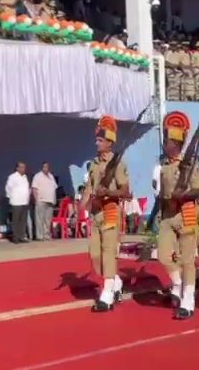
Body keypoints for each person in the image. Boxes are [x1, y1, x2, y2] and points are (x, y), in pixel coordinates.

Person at [156, 111, 199, 320]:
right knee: (164, 256)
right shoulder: (164, 166)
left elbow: (197, 189)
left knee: (187, 260)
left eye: (167, 141)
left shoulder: (189, 164)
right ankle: (177, 283)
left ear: (175, 143)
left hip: (186, 213)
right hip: (167, 215)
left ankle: (188, 300)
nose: (164, 144)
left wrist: (182, 195)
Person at [81, 116, 130, 312]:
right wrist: (83, 208)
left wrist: (108, 193)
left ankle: (107, 293)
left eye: (100, 140)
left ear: (110, 142)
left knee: (109, 253)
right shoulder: (93, 165)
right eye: (96, 140)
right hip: (96, 213)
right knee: (95, 255)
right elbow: (89, 188)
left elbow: (126, 191)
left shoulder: (118, 164)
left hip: (110, 211)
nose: (97, 143)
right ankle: (116, 280)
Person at [32, 162, 58, 241]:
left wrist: (54, 199)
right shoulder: (37, 176)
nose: (45, 168)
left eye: (47, 167)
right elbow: (34, 189)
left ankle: (46, 235)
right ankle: (40, 236)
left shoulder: (51, 176)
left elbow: (54, 188)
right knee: (40, 220)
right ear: (42, 167)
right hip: (41, 200)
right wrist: (37, 200)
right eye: (44, 167)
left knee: (48, 220)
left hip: (50, 201)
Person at [6, 162, 30, 243]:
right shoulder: (12, 177)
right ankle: (15, 238)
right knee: (16, 221)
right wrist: (12, 198)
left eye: (24, 167)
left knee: (23, 221)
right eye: (22, 167)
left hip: (24, 201)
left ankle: (22, 236)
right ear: (17, 168)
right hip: (16, 202)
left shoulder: (25, 177)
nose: (23, 169)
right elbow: (8, 188)